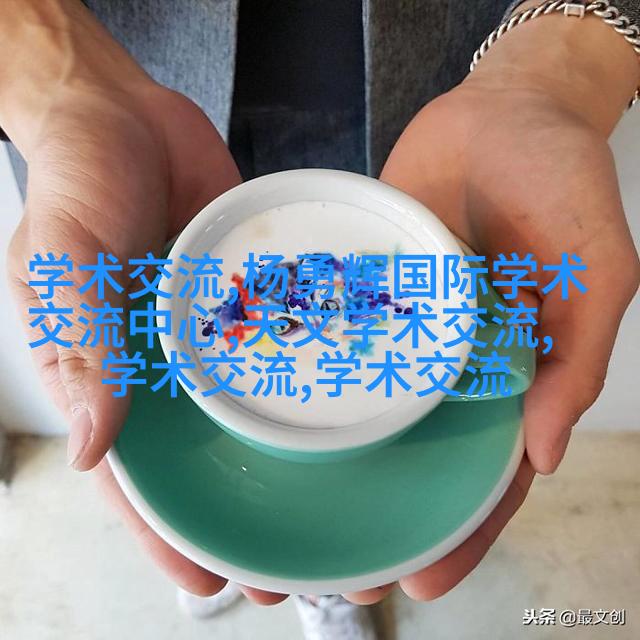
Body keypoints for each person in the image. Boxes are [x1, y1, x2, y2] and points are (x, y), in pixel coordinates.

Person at [1, 0, 639, 638]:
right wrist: (47, 68)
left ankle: (325, 579)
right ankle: (217, 535)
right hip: (130, 99)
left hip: (433, 100)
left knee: (344, 553)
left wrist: (550, 74)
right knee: (124, 385)